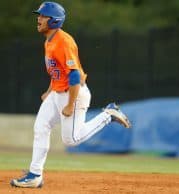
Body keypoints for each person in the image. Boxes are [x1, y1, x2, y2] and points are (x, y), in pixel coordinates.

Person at [10, 1, 131, 188]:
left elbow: (74, 76)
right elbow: (57, 71)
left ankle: (108, 114)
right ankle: (35, 175)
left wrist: (69, 105)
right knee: (41, 127)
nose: (39, 18)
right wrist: (49, 91)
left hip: (73, 94)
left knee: (71, 140)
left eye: (43, 16)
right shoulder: (49, 41)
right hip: (58, 92)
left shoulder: (64, 41)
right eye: (39, 15)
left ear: (54, 20)